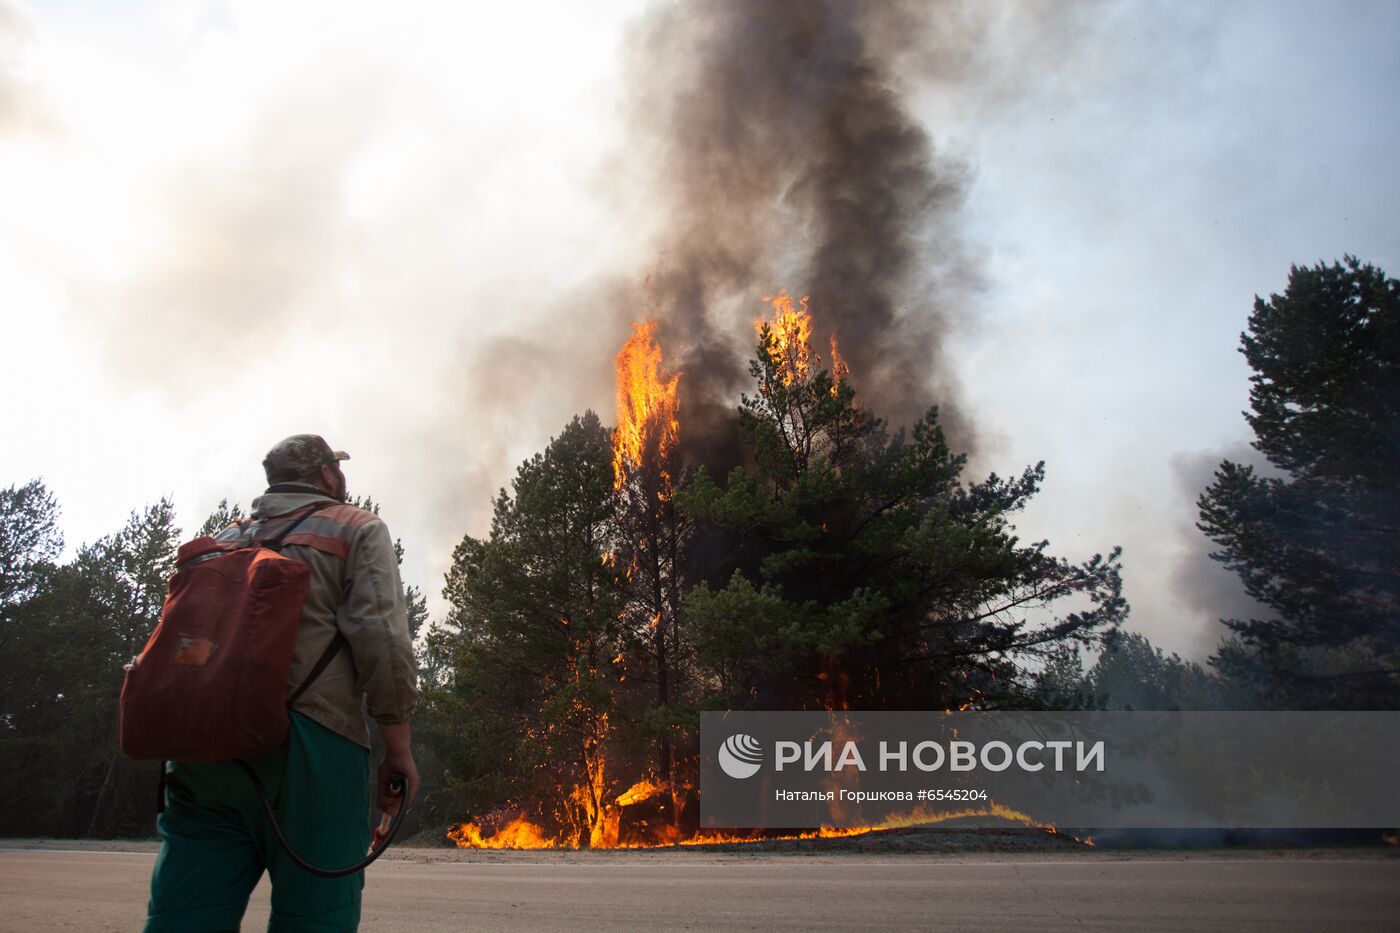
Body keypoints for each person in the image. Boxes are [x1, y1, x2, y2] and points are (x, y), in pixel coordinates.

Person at [145, 434, 420, 932]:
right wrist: (398, 749)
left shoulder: (223, 541)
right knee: (316, 918)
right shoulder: (356, 527)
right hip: (311, 746)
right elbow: (383, 642)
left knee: (185, 915)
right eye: (338, 470)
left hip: (201, 751)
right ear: (327, 476)